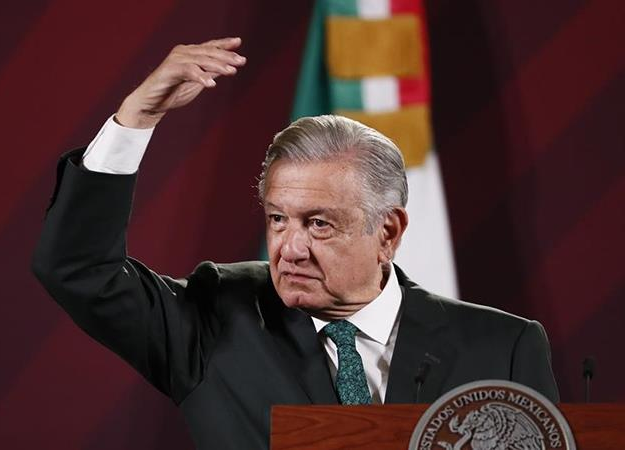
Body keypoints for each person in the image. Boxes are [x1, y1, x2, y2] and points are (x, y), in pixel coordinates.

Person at [32, 37, 558, 450]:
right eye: (278, 219)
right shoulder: (213, 319)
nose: (290, 248)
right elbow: (78, 269)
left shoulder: (503, 349)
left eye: (319, 224)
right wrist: (136, 120)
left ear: (389, 232)